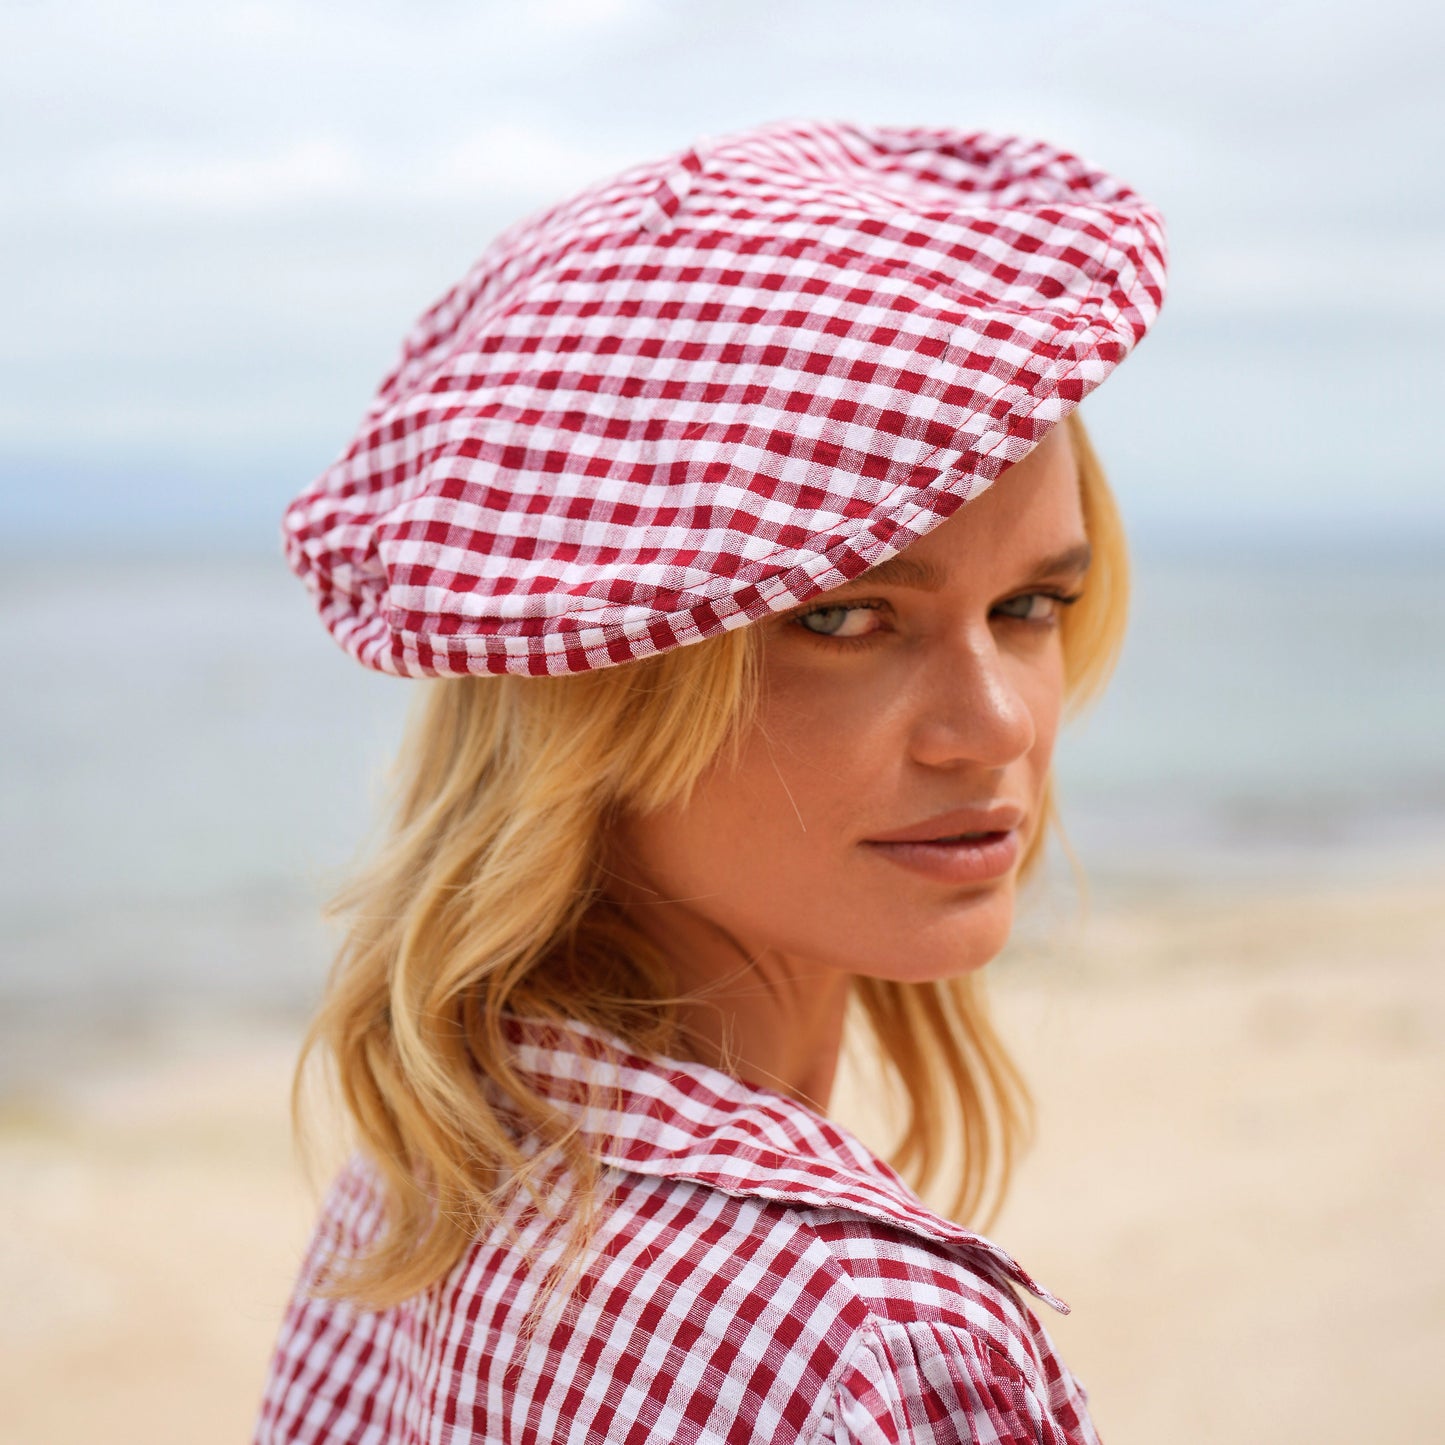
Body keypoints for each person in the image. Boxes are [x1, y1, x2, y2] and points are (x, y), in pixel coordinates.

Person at [254, 117, 1168, 1444]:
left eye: (1031, 604)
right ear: (599, 698)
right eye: (846, 619)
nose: (994, 728)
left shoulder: (423, 1180)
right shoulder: (872, 1341)